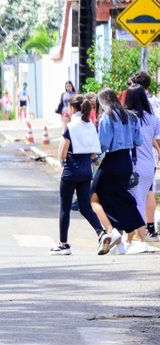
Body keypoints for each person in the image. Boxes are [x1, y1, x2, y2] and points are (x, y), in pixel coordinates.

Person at [90, 87, 147, 255]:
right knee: (118, 199)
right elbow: (139, 141)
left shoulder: (107, 116)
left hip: (112, 161)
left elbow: (103, 144)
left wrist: (92, 156)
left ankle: (111, 231)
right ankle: (119, 245)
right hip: (126, 161)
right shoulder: (131, 116)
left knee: (92, 196)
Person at [53, 95, 102, 254]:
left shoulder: (71, 127)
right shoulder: (90, 126)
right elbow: (94, 153)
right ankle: (101, 233)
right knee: (85, 207)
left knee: (65, 208)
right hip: (86, 172)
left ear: (73, 109)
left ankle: (63, 244)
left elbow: (63, 153)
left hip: (70, 173)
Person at [124, 84, 160, 240]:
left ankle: (141, 241)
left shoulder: (127, 117)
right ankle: (130, 239)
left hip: (132, 165)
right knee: (140, 200)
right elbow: (156, 140)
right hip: (149, 165)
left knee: (136, 203)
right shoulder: (153, 119)